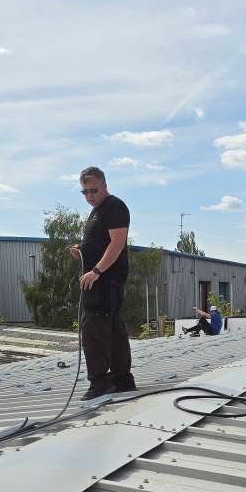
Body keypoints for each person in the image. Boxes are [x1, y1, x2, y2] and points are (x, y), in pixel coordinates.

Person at [69, 166, 136, 400]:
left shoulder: (114, 207)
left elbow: (117, 243)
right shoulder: (98, 211)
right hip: (102, 279)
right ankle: (122, 380)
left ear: (105, 186)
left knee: (93, 330)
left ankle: (100, 382)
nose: (89, 196)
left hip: (105, 280)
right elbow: (101, 242)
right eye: (85, 192)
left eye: (93, 191)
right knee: (113, 330)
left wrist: (96, 271)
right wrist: (82, 250)